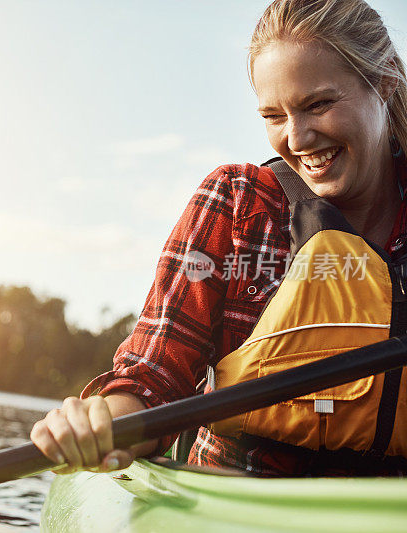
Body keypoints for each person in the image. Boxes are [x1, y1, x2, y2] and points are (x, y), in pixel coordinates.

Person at [31, 0, 407, 477]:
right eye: (273, 116)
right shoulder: (236, 205)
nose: (297, 137)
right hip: (235, 499)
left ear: (386, 80)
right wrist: (103, 424)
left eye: (318, 105)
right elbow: (154, 378)